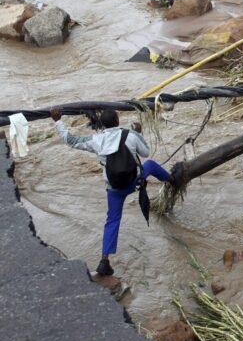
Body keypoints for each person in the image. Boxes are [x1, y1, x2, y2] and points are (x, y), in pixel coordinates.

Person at [50, 108, 172, 276]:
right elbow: (145, 152)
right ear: (118, 121)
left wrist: (57, 120)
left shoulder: (96, 140)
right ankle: (173, 181)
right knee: (150, 164)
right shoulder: (130, 135)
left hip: (114, 189)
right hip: (133, 181)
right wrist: (139, 133)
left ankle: (104, 261)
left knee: (112, 220)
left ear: (102, 124)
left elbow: (71, 141)